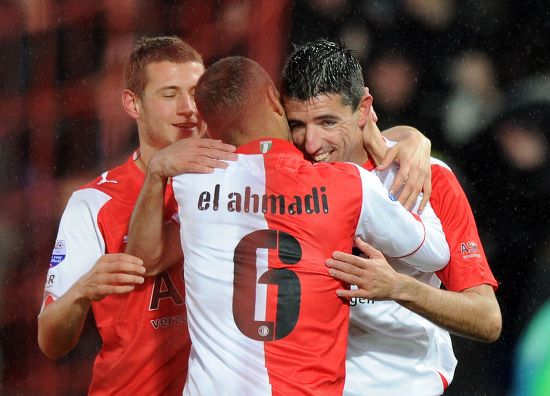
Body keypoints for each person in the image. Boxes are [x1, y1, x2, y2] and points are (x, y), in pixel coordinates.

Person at [126, 55, 450, 395]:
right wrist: (406, 146)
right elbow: (435, 255)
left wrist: (156, 173)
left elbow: (143, 262)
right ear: (272, 99)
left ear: (208, 127)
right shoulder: (349, 183)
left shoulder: (192, 184)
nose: (310, 139)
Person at [281, 39, 501, 395]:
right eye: (297, 124)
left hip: (404, 385)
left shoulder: (431, 179)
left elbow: (487, 319)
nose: (310, 143)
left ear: (364, 107)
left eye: (327, 121)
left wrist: (399, 288)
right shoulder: (289, 178)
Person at [37, 36, 237, 395]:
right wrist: (83, 290)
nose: (189, 108)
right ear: (133, 104)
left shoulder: (240, 179)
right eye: (169, 94)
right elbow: (50, 341)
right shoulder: (94, 202)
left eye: (195, 91)